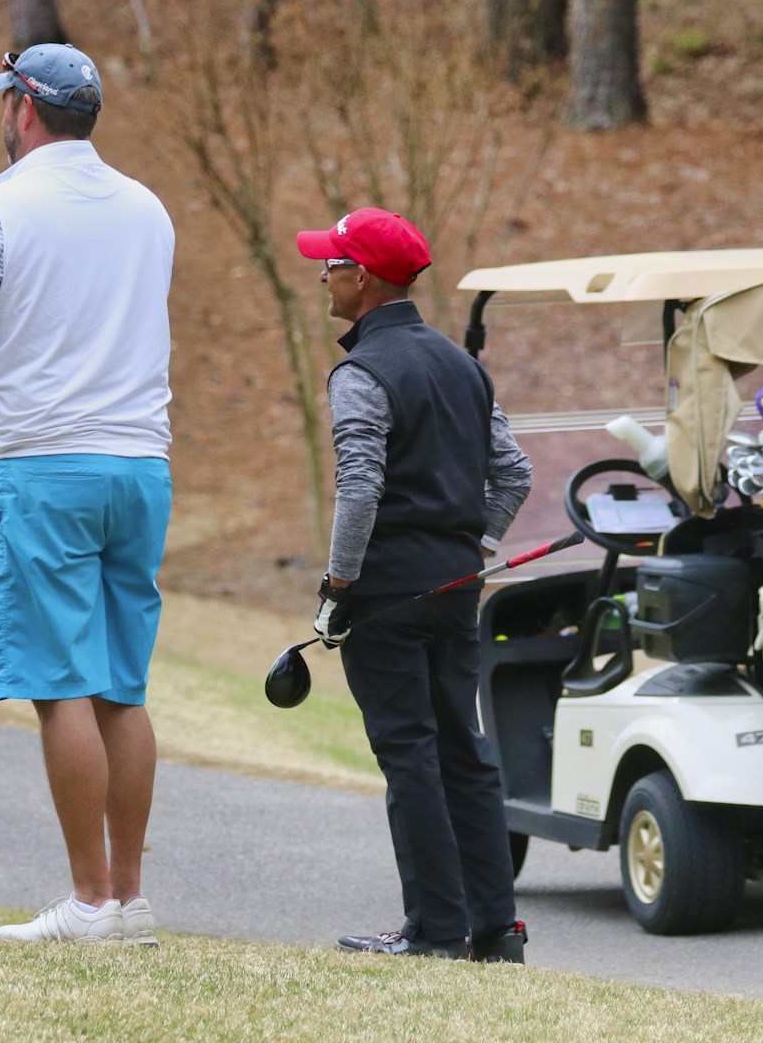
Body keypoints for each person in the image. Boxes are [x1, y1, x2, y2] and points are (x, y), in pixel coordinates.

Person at [0, 44, 174, 945]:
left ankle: (90, 900)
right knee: (121, 684)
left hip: (44, 465)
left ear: (25, 110)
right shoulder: (148, 209)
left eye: (6, 102)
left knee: (61, 684)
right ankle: (132, 899)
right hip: (141, 467)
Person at [295, 208, 533, 963]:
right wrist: (477, 544)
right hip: (458, 587)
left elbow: (360, 487)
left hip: (388, 596)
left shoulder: (361, 371)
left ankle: (433, 931)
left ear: (361, 278)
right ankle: (496, 931)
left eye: (330, 264)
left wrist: (338, 583)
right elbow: (515, 473)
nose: (322, 275)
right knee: (462, 751)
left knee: (410, 755)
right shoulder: (461, 363)